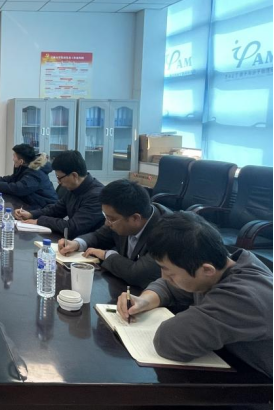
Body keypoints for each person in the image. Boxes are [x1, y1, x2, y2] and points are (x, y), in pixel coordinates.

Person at [118, 212, 272, 378]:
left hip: (259, 384)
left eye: (169, 272)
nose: (164, 277)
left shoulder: (244, 298)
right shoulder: (222, 265)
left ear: (207, 270)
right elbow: (169, 287)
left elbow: (170, 341)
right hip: (233, 362)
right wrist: (144, 301)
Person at [58, 179, 165, 288]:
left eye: (111, 219)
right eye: (106, 216)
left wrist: (107, 255)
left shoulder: (164, 233)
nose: (107, 223)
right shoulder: (122, 217)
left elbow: (137, 274)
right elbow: (98, 236)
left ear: (135, 218)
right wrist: (77, 243)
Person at [15, 150, 104, 239]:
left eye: (59, 178)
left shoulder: (96, 196)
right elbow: (56, 210)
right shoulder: (74, 188)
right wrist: (31, 214)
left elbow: (73, 227)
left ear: (74, 176)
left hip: (90, 244)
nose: (59, 182)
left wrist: (40, 221)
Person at [0, 144, 58, 209]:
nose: (13, 159)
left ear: (21, 161)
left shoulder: (35, 173)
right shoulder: (25, 168)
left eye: (14, 156)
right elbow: (10, 179)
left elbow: (17, 188)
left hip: (46, 209)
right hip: (34, 205)